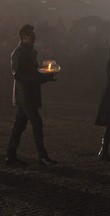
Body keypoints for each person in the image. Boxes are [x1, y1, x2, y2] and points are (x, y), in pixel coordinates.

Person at [5, 24, 57, 166]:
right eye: (31, 34)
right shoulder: (19, 52)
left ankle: (11, 154)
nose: (34, 37)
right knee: (36, 123)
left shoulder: (30, 51)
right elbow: (18, 74)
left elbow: (31, 72)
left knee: (19, 126)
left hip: (28, 94)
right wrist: (41, 78)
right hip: (25, 95)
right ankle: (42, 156)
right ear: (24, 36)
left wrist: (46, 75)